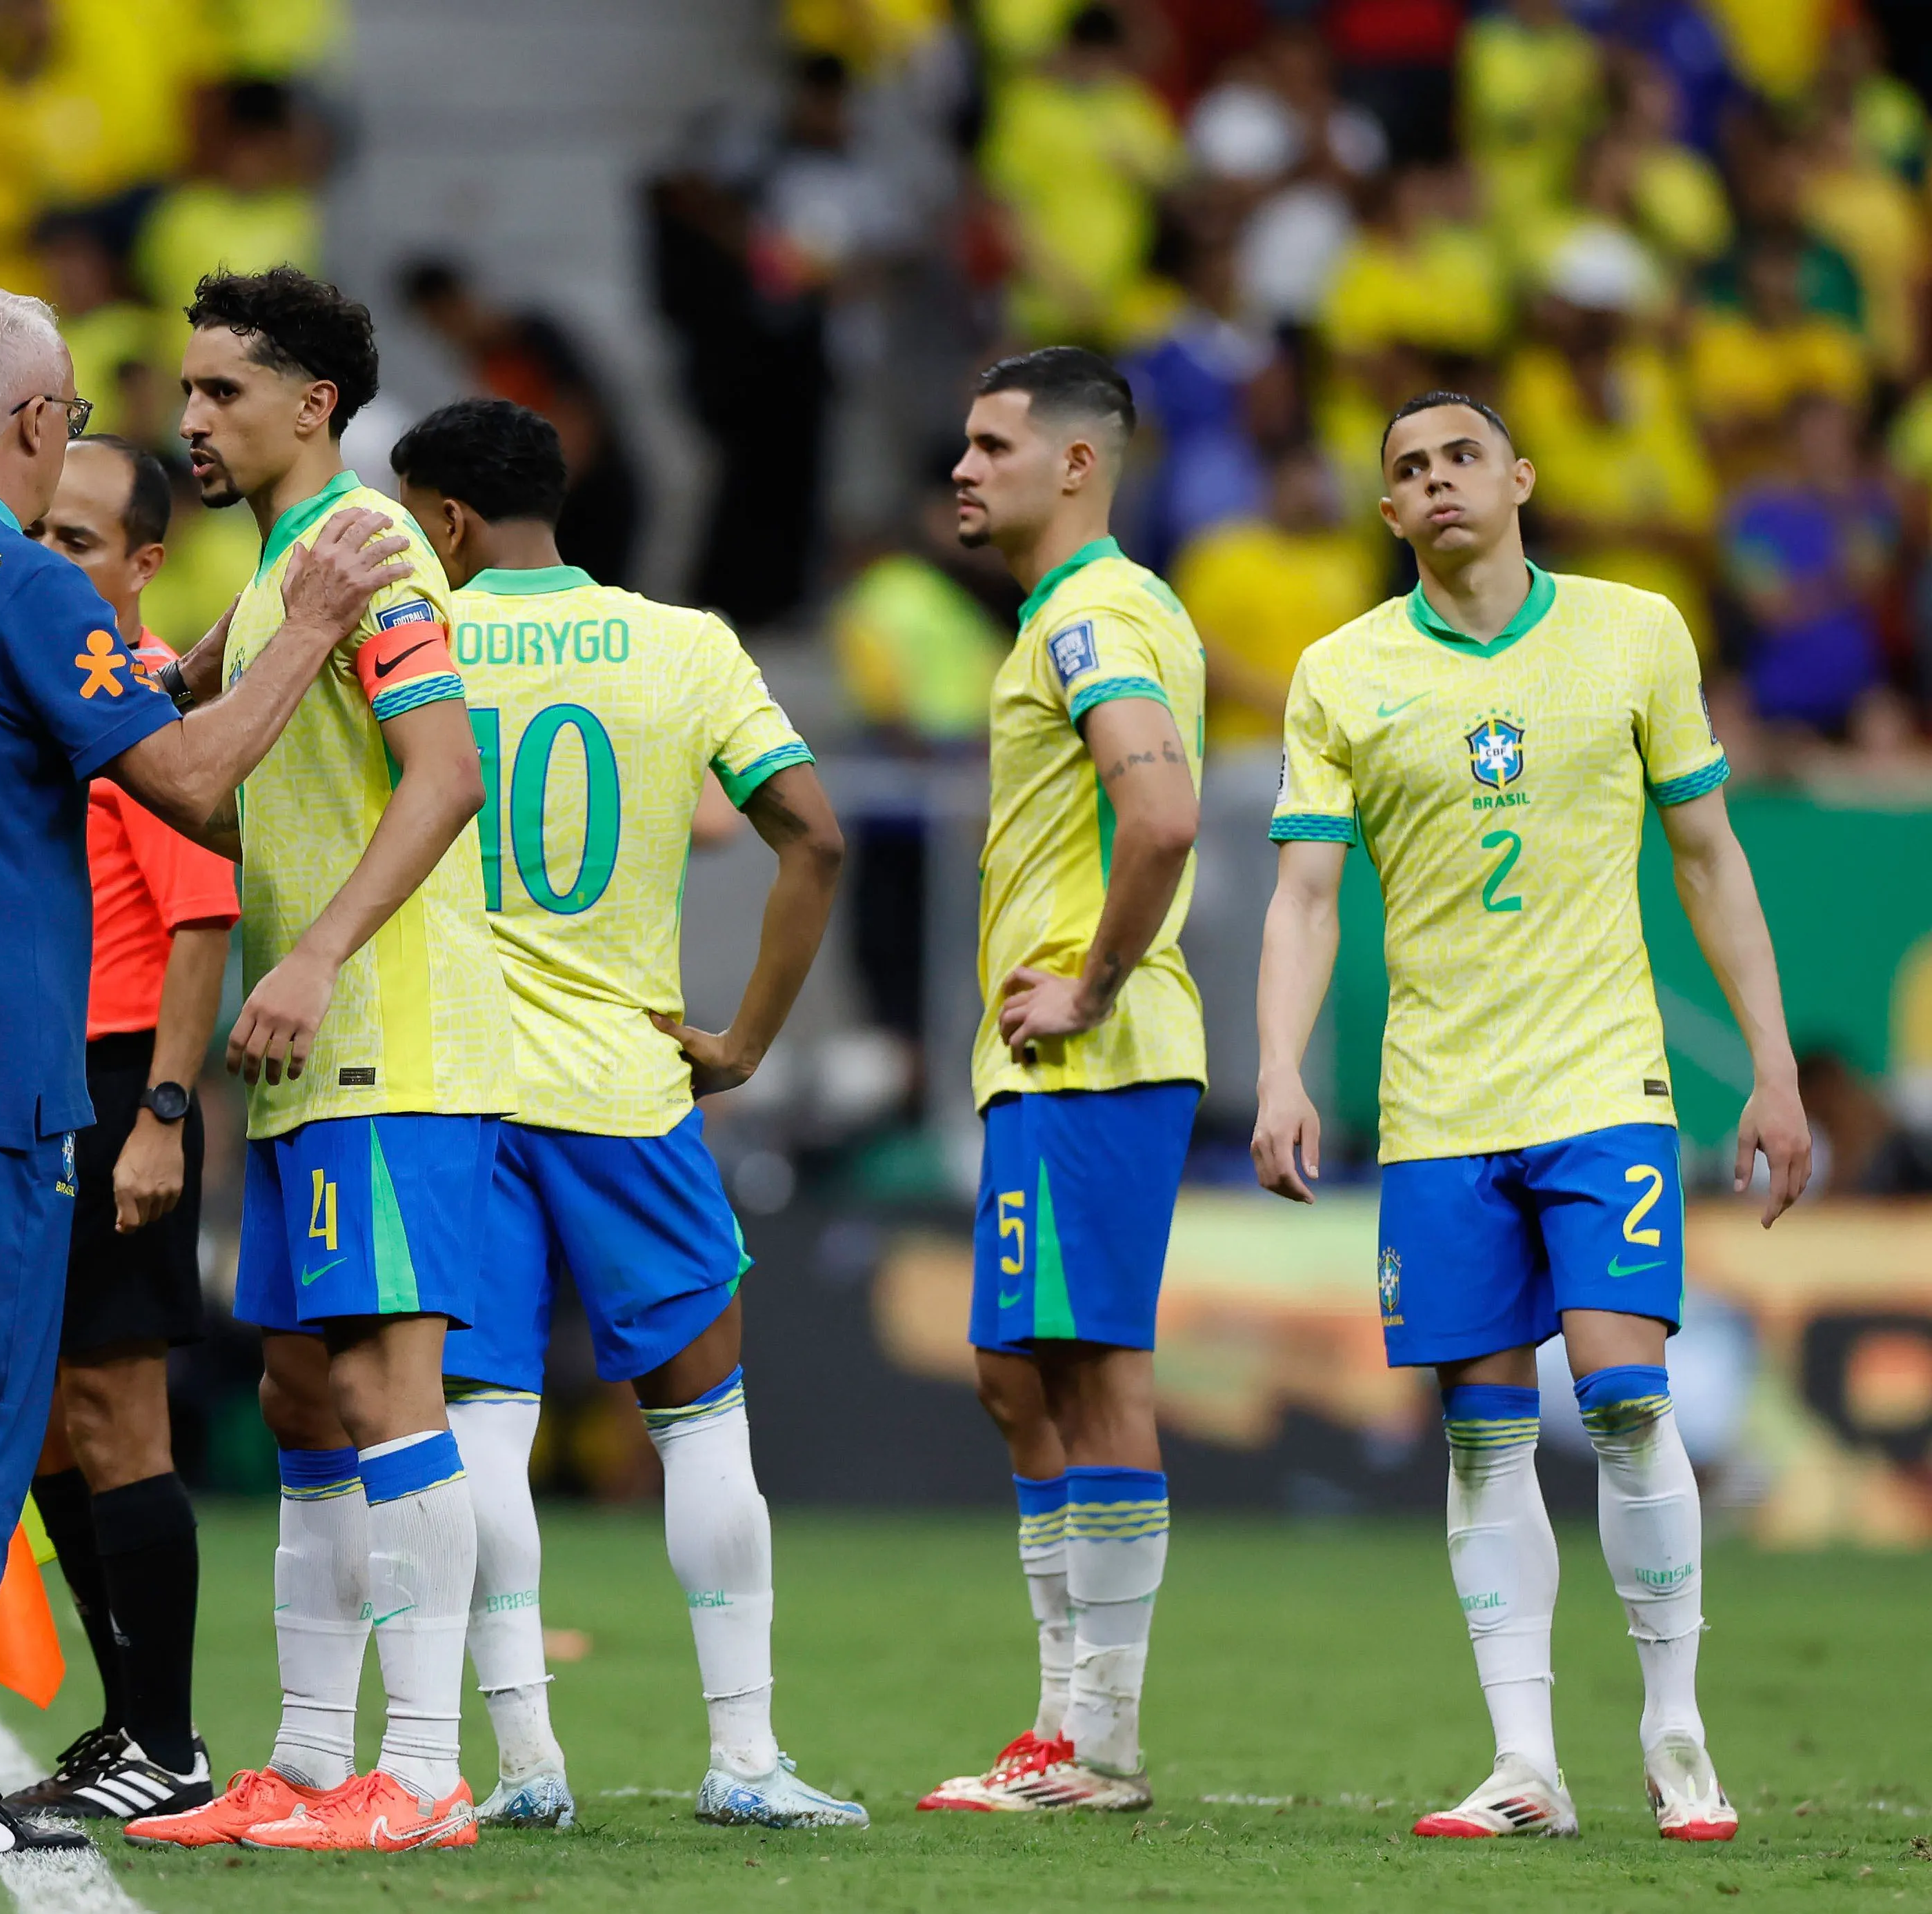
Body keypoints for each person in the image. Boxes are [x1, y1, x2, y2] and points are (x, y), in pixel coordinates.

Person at [0, 283, 410, 1862]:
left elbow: (6, 734)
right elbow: (187, 792)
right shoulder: (21, 580)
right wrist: (311, 624)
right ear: (40, 425)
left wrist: (178, 674)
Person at [1252, 391, 1813, 1844]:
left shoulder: (1633, 631)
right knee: (1482, 1437)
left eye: (1455, 457)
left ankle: (1675, 1734)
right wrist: (1275, 1066)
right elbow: (1303, 894)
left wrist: (1771, 1062)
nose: (1432, 481)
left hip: (1599, 1083)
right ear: (1386, 516)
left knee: (1626, 1399)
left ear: (1517, 477)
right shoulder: (1339, 672)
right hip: (1436, 1102)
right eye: (1404, 470)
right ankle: (1523, 1763)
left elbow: (1706, 856)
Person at [385, 396, 859, 1832]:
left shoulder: (416, 642)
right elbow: (813, 837)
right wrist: (746, 1041)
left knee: (480, 1423)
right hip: (626, 1079)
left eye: (414, 518)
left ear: (450, 520)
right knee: (701, 1421)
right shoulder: (685, 644)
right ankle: (745, 1757)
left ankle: (522, 1761)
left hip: (458, 1084)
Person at [121, 266, 510, 1857]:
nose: (191, 416)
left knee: (379, 1378)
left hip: (382, 1035)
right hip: (302, 1058)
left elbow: (448, 772)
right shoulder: (292, 564)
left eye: (223, 392)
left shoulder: (371, 548)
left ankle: (419, 1771)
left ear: (315, 409)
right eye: (188, 388)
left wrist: (316, 949)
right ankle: (298, 1756)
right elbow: (209, 764)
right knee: (295, 1392)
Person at [920, 347, 1204, 1817]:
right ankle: (1063, 1721)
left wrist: (1088, 984)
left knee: (1087, 1370)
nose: (960, 469)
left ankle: (1094, 1743)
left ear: (1075, 465)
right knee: (1017, 1369)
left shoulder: (1094, 616)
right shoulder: (1073, 615)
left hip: (1094, 1049)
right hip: (1053, 1060)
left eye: (989, 445)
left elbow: (1158, 813)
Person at [11, 436, 236, 1822]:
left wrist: (158, 1114)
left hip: (115, 1083)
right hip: (39, 1084)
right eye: (39, 537)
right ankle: (127, 1721)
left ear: (143, 566)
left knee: (116, 1411)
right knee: (46, 1428)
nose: (52, 565)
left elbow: (201, 914)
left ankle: (165, 1735)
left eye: (81, 545)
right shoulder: (57, 695)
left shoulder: (146, 707)